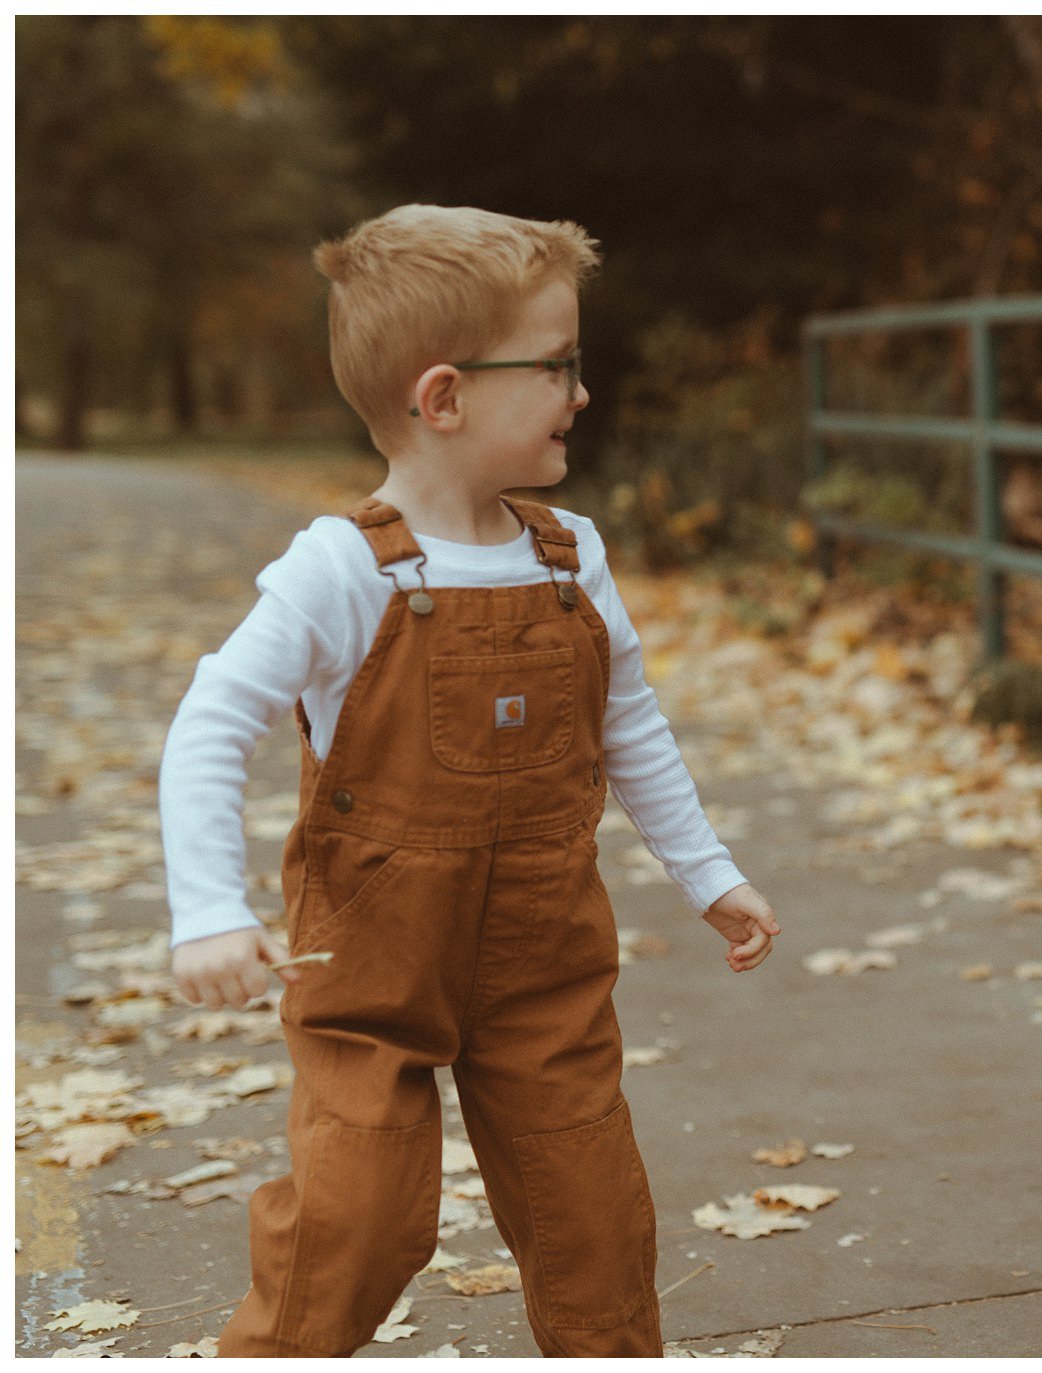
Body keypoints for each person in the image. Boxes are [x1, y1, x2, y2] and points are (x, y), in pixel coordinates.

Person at [160, 204, 781, 1357]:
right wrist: (207, 907)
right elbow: (212, 719)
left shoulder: (571, 552)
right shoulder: (340, 566)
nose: (579, 393)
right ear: (442, 397)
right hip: (371, 972)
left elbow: (628, 722)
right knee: (358, 1218)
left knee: (591, 1214)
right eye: (556, 366)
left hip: (545, 963)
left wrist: (710, 872)